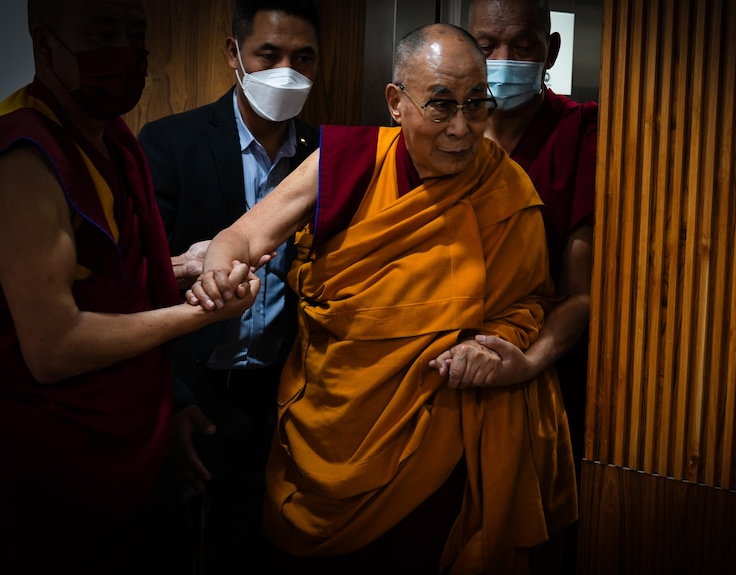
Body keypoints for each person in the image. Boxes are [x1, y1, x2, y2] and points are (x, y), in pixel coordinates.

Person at [188, 22, 577, 575]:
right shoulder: (349, 160)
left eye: (476, 104)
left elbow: (529, 303)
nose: (463, 129)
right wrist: (220, 270)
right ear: (396, 102)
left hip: (438, 437)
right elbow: (244, 236)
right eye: (441, 106)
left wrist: (499, 348)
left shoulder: (506, 190)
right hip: (331, 423)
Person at [0, 1, 259, 573]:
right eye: (101, 33)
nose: (125, 51)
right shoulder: (24, 155)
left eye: (135, 33)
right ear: (45, 45)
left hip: (131, 430)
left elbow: (103, 273)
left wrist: (179, 266)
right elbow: (53, 347)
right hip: (56, 453)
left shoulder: (110, 137)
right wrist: (201, 314)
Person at [136, 1, 320, 572]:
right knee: (171, 542)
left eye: (303, 57)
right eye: (269, 54)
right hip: (191, 389)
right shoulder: (171, 142)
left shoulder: (326, 156)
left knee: (254, 545)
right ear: (233, 53)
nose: (286, 70)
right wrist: (173, 400)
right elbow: (142, 284)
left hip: (277, 396)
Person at [430, 0, 599, 570]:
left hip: (536, 367)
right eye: (485, 45)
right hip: (439, 373)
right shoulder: (442, 131)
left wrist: (526, 363)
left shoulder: (581, 132)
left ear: (549, 50)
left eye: (521, 45)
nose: (501, 60)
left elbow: (581, 293)